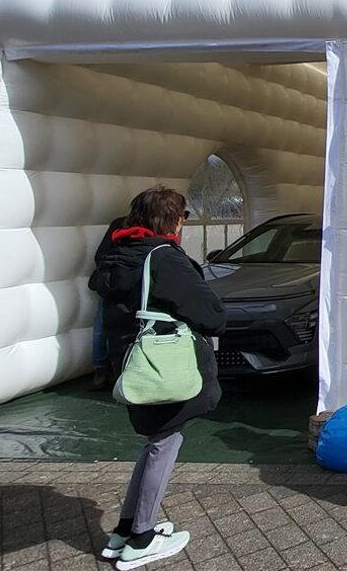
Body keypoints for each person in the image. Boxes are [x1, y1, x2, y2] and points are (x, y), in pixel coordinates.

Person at [94, 185, 225, 569]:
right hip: (165, 365)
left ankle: (124, 530)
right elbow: (211, 314)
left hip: (131, 361)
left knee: (155, 440)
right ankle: (142, 537)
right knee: (164, 443)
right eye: (183, 216)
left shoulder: (117, 255)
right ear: (173, 220)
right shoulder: (163, 258)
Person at [88, 215, 128, 391]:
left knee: (102, 325)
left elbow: (100, 256)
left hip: (109, 282)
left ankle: (101, 369)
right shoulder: (145, 228)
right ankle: (112, 368)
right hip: (124, 282)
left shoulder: (119, 224)